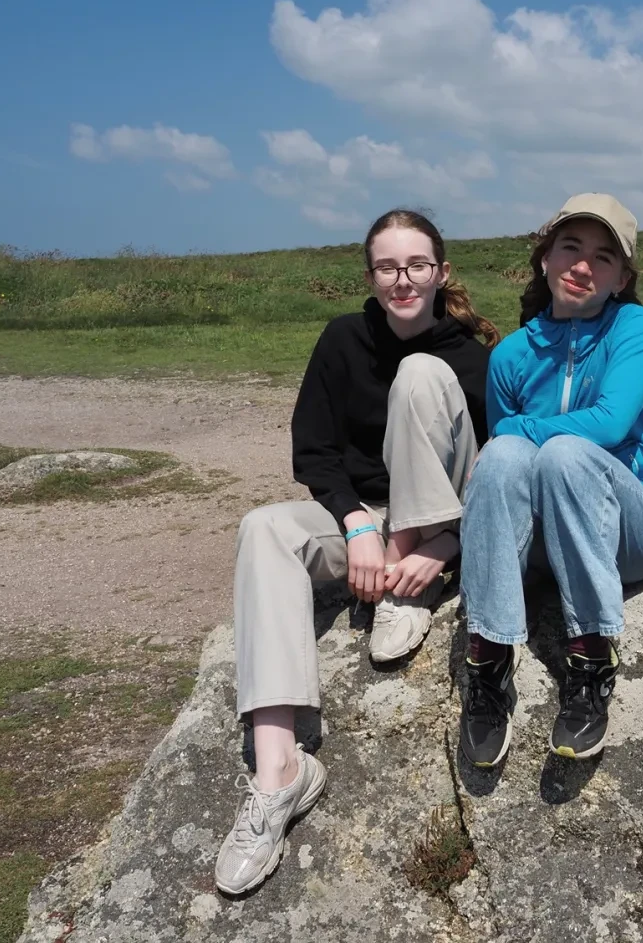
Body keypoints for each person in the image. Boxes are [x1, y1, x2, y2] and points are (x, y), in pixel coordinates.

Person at [214, 209, 499, 895]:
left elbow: (500, 475)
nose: (403, 279)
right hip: (361, 519)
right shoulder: (343, 338)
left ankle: (412, 583)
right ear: (370, 275)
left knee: (420, 374)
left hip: (440, 519)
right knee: (262, 528)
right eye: (387, 267)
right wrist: (355, 525)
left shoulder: (473, 357)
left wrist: (443, 544)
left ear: (441, 272)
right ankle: (281, 772)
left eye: (417, 265)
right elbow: (313, 450)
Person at [456, 194, 643, 768]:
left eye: (603, 257)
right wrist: (509, 440)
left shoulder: (633, 327)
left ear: (622, 278)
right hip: (548, 541)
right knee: (503, 457)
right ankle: (489, 661)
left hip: (633, 530)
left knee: (563, 453)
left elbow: (611, 422)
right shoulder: (510, 355)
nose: (583, 266)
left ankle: (592, 660)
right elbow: (507, 465)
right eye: (570, 248)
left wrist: (520, 428)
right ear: (545, 258)